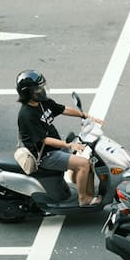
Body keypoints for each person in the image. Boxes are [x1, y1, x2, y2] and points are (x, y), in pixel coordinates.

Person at [16, 69, 105, 206]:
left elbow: (63, 109)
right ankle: (83, 199)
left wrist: (85, 115)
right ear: (28, 93)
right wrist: (68, 145)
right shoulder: (27, 115)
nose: (42, 91)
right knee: (84, 164)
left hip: (55, 148)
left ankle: (85, 187)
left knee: (88, 160)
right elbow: (43, 140)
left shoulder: (42, 102)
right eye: (38, 89)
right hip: (45, 155)